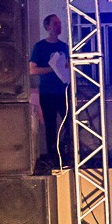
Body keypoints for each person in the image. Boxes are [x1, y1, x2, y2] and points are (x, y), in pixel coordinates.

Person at [29, 13, 70, 169]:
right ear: (47, 27)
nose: (59, 26)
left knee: (69, 123)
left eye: (60, 23)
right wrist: (52, 68)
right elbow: (32, 70)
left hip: (64, 91)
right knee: (50, 125)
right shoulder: (40, 47)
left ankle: (68, 154)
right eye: (55, 24)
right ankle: (53, 157)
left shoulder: (64, 47)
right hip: (47, 92)